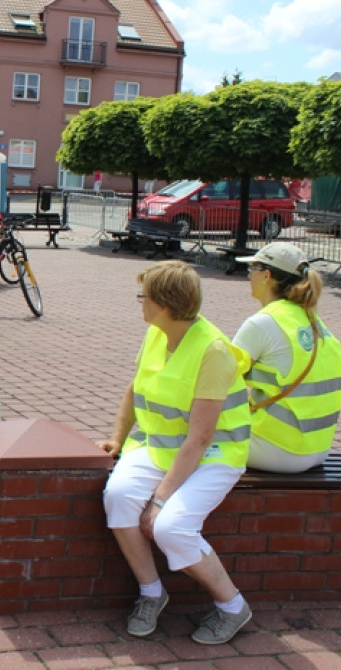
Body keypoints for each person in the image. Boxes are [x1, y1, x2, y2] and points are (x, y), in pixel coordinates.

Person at [99, 261, 253, 645]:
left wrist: (160, 500)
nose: (139, 302)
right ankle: (152, 592)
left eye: (143, 295)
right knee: (117, 497)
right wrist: (117, 439)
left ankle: (233, 606)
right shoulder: (157, 333)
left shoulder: (214, 351)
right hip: (162, 447)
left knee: (170, 528)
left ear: (164, 305)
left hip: (215, 455)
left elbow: (200, 439)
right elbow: (134, 390)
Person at [232, 242, 341, 472]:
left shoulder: (263, 322)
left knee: (189, 437)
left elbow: (216, 379)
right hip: (317, 448)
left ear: (267, 275)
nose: (248, 276)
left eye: (251, 269)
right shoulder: (313, 321)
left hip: (278, 449)